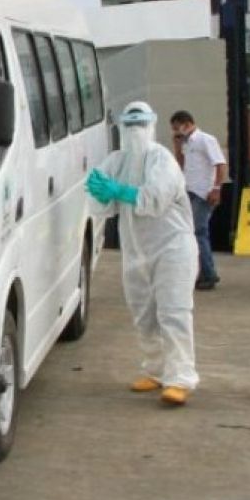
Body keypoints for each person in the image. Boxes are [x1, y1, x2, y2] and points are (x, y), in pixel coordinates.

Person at [86, 101, 199, 406]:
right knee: (144, 314)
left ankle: (180, 379)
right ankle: (156, 370)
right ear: (122, 128)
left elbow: (155, 199)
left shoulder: (162, 160)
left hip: (172, 247)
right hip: (136, 250)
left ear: (151, 126)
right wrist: (98, 191)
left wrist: (119, 191)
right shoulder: (116, 161)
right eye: (130, 125)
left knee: (173, 312)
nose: (135, 132)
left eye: (140, 125)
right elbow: (100, 205)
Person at [168, 110, 228, 291]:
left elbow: (220, 164)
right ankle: (203, 272)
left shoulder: (205, 140)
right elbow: (181, 164)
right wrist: (177, 147)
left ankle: (208, 274)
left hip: (203, 193)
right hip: (190, 191)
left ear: (186, 124)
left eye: (177, 128)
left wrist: (216, 188)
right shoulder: (187, 143)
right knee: (193, 232)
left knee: (198, 232)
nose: (176, 132)